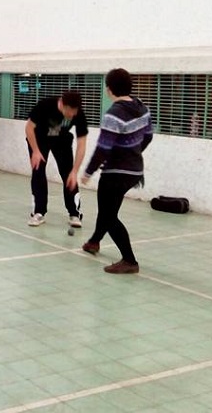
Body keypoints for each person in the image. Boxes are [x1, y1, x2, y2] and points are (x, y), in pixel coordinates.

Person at [81, 68, 153, 274]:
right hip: (134, 171)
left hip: (115, 173)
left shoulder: (113, 114)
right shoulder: (142, 107)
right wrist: (133, 153)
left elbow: (104, 148)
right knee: (109, 210)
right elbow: (148, 136)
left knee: (109, 215)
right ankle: (94, 241)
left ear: (109, 89)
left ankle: (129, 260)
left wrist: (88, 172)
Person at [25, 91, 88, 227]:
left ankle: (74, 213)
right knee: (38, 171)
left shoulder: (79, 113)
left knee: (68, 175)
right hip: (39, 139)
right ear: (62, 105)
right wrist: (35, 151)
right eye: (70, 111)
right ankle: (38, 212)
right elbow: (29, 128)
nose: (72, 115)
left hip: (62, 140)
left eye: (75, 112)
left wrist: (75, 171)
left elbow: (82, 143)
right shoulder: (45, 105)